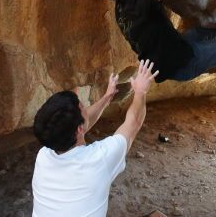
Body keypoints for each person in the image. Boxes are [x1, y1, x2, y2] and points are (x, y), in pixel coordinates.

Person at [31, 59, 159, 217]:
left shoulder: (43, 155)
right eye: (83, 107)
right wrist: (141, 91)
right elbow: (134, 123)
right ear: (79, 129)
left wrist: (107, 97)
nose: (85, 107)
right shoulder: (99, 160)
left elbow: (80, 126)